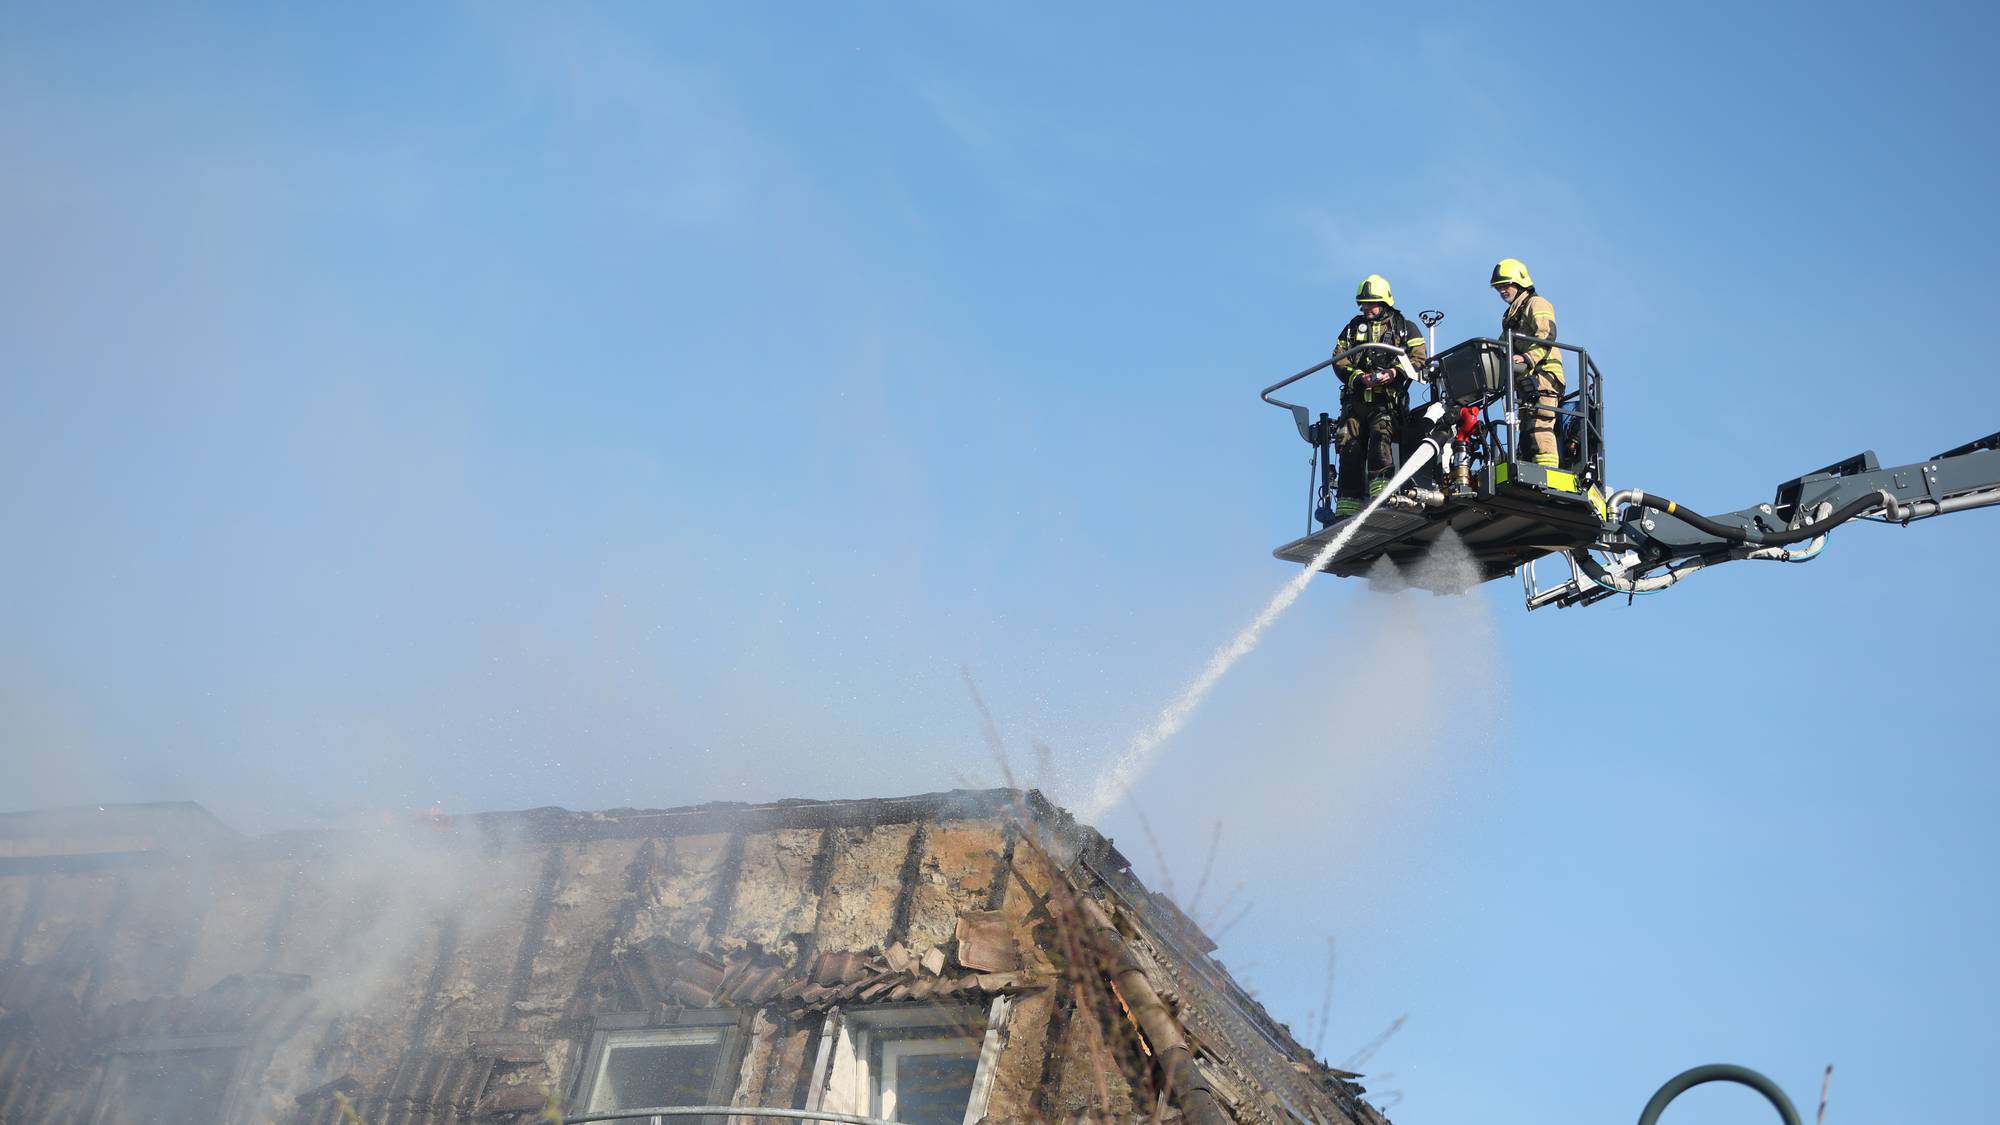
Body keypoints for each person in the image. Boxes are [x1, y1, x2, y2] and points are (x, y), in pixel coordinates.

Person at [1330, 274, 1427, 517]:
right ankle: (1347, 506)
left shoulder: (1404, 327)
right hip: (1356, 402)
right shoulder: (1353, 328)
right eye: (1363, 304)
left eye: (1370, 303)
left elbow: (1418, 358)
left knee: (1380, 439)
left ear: (1384, 302)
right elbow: (1339, 359)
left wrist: (1394, 372)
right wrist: (1358, 378)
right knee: (1348, 446)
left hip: (1386, 402)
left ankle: (1382, 494)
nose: (1366, 308)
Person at [1489, 258, 1564, 468]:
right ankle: (1530, 469)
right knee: (1525, 431)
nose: (1502, 290)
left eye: (1506, 285)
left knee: (1539, 425)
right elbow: (1502, 346)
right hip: (1527, 381)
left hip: (1545, 375)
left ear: (1520, 282)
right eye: (1498, 287)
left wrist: (1527, 357)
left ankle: (1549, 473)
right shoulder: (1512, 314)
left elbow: (1546, 334)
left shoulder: (1536, 303)